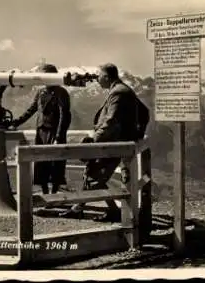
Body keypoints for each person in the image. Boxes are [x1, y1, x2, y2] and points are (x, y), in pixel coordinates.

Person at [59, 63, 149, 220]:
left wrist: (94, 140)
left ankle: (93, 209)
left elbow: (110, 121)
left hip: (112, 143)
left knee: (94, 177)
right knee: (94, 176)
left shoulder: (119, 93)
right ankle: (84, 208)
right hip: (117, 141)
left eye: (99, 76)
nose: (97, 80)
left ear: (107, 77)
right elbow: (144, 112)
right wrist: (137, 133)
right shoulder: (123, 90)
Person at [9, 63, 72, 194]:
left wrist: (59, 137)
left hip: (55, 132)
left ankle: (54, 192)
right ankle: (44, 191)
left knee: (56, 162)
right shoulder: (40, 92)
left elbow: (64, 115)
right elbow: (32, 110)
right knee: (41, 162)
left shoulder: (61, 92)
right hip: (41, 131)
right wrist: (16, 122)